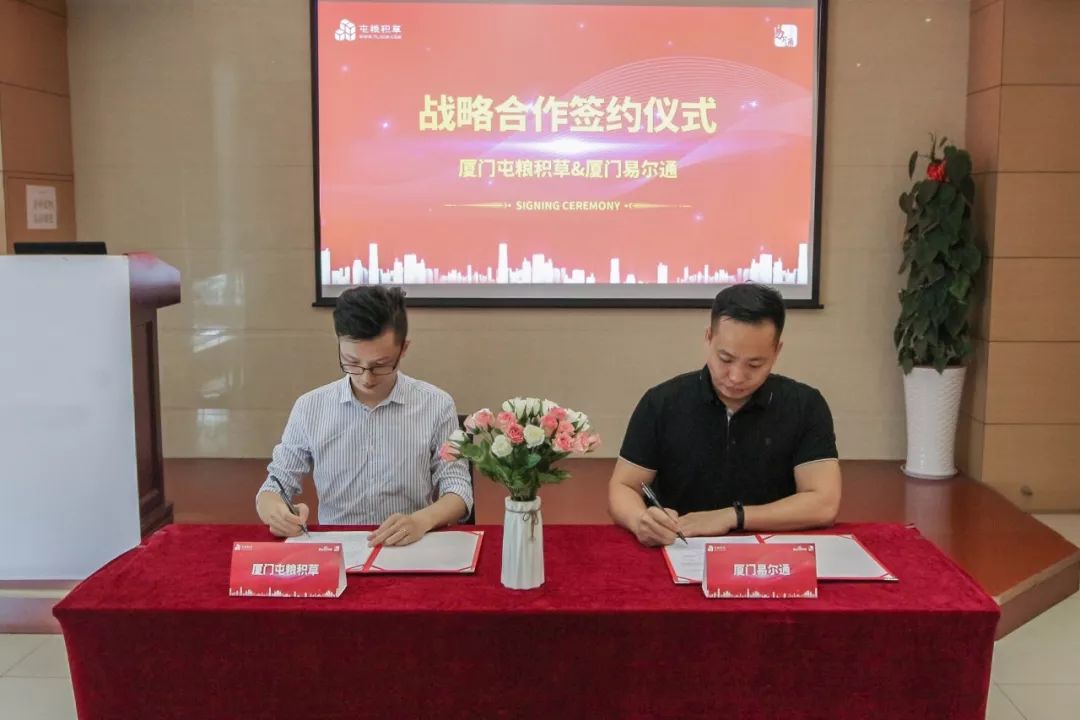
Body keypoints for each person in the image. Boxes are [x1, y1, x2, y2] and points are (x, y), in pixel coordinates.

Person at [609, 283, 841, 546]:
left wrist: (734, 517)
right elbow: (623, 487)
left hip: (771, 554)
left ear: (777, 351)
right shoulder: (662, 402)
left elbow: (823, 504)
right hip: (680, 547)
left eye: (755, 364)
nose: (736, 377)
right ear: (708, 338)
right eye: (726, 359)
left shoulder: (805, 405)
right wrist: (640, 520)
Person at [255, 286, 472, 546]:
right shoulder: (310, 407)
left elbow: (458, 489)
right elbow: (275, 486)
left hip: (408, 545)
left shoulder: (436, 405)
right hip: (337, 548)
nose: (366, 378)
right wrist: (276, 511)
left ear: (403, 348)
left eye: (381, 365)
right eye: (352, 362)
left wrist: (421, 520)